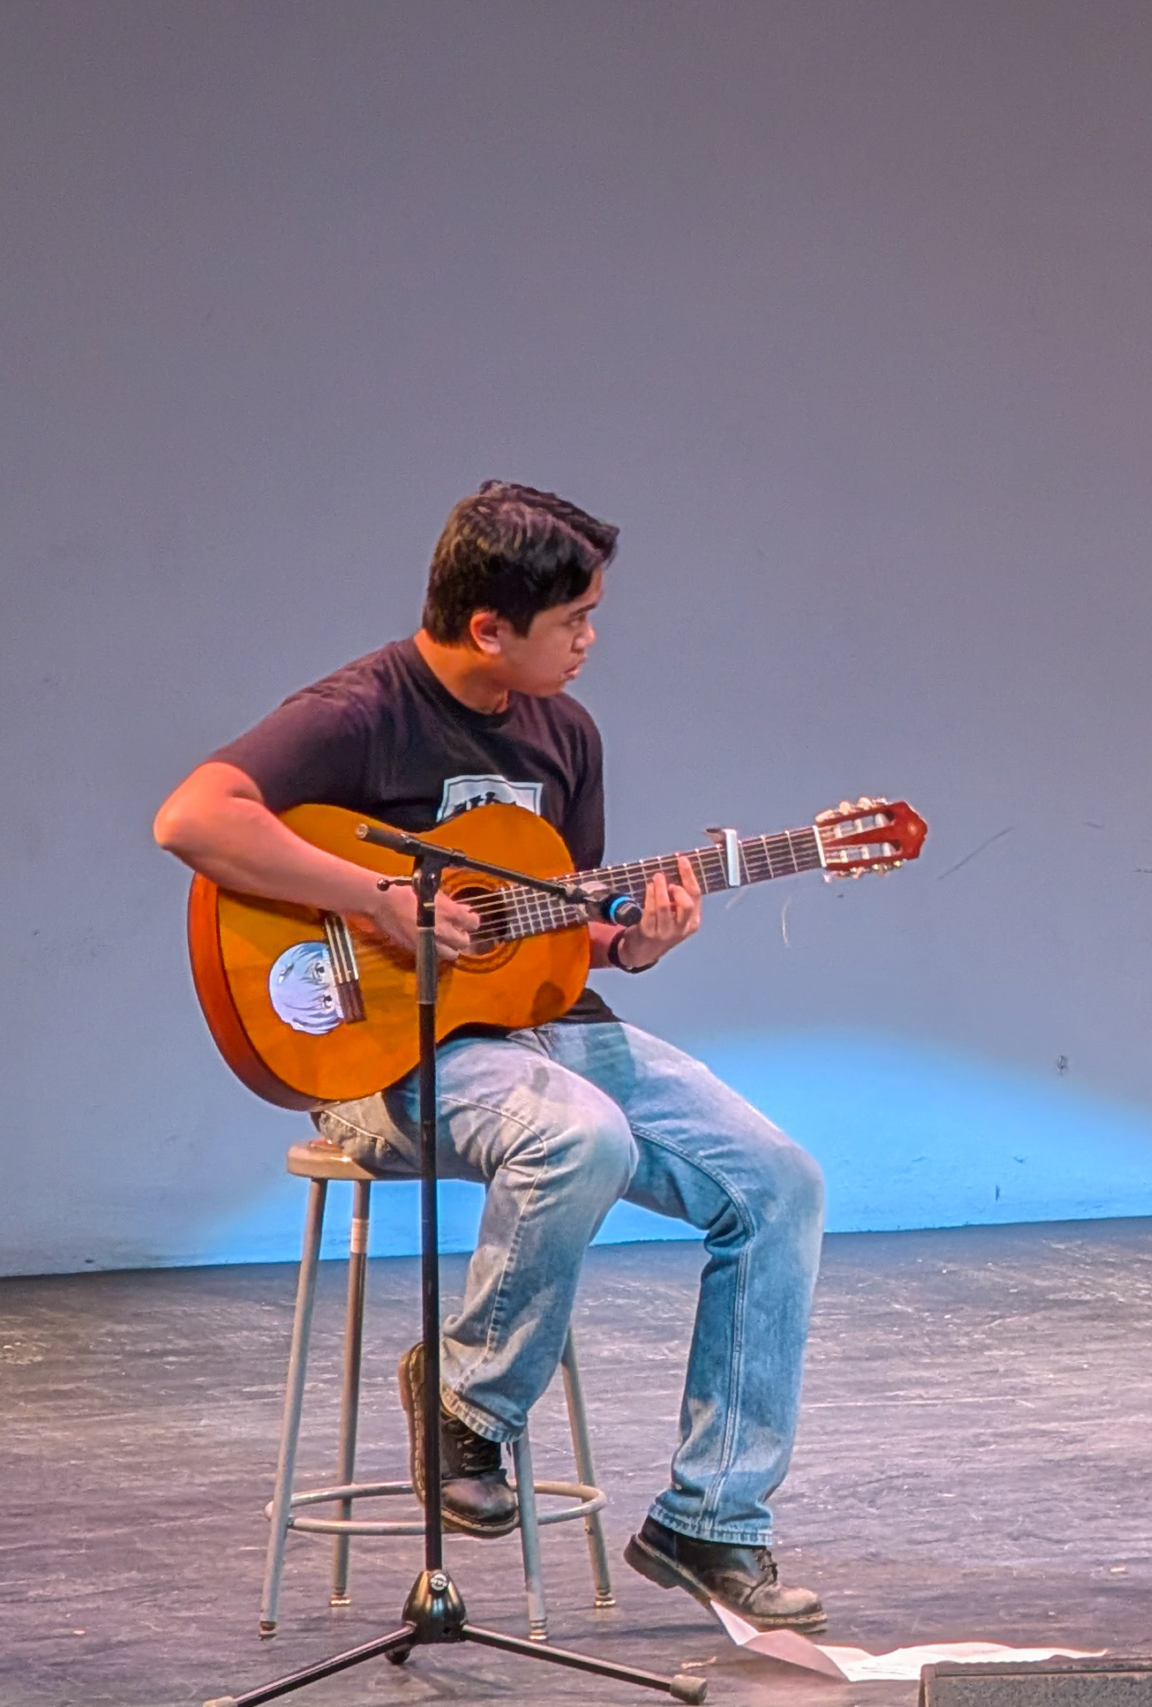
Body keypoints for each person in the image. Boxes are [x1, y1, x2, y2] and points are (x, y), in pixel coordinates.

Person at [153, 483, 829, 1630]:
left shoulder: (566, 734)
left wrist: (633, 941)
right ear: (487, 628)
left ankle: (710, 1520)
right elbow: (192, 818)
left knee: (779, 1182)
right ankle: (465, 1398)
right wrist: (375, 898)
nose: (589, 640)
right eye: (573, 619)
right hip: (386, 1055)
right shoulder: (362, 710)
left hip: (537, 1036)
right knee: (579, 1136)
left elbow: (553, 944)